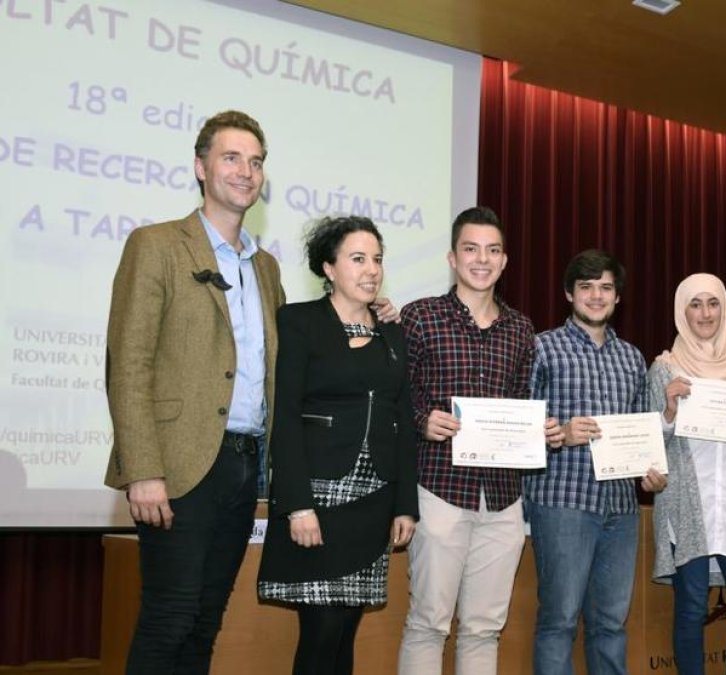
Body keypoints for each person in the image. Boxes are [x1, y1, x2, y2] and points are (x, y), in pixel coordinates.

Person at [104, 110, 287, 674]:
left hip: (244, 465)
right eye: (232, 157)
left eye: (255, 162)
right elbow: (128, 362)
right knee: (170, 618)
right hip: (177, 465)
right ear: (200, 167)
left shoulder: (267, 268)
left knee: (206, 621)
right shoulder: (156, 245)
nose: (246, 171)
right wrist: (143, 469)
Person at [397, 206, 565, 675]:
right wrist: (419, 419)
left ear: (505, 261)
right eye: (471, 249)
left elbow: (517, 402)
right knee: (429, 623)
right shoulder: (420, 317)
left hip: (503, 500)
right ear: (452, 258)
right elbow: (395, 398)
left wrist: (541, 430)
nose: (481, 259)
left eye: (492, 250)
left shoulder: (520, 329)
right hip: (439, 491)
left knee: (484, 628)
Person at [257, 216, 419, 675]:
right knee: (321, 630)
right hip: (319, 501)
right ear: (328, 268)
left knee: (346, 628)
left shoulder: (393, 331)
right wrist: (297, 505)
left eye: (378, 260)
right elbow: (284, 417)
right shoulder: (299, 321)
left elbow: (402, 420)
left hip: (373, 504)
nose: (371, 270)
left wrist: (405, 505)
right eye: (357, 259)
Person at [525, 249, 667, 675]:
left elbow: (643, 431)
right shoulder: (542, 348)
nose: (596, 295)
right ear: (569, 294)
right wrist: (560, 435)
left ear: (618, 297)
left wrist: (651, 473)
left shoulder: (632, 358)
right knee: (560, 621)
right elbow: (517, 427)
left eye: (606, 287)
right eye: (586, 287)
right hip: (563, 502)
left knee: (610, 624)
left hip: (621, 509)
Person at [649, 273, 726, 675]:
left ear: (725, 308)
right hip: (689, 505)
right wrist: (668, 412)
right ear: (681, 311)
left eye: (713, 303)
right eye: (695, 304)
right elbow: (651, 446)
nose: (705, 313)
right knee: (691, 611)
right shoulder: (665, 369)